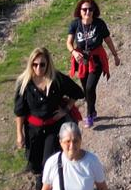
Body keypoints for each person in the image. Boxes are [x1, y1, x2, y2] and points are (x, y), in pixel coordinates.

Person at [14, 47, 83, 182]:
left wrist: (66, 109)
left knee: (49, 161)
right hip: (33, 130)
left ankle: (50, 186)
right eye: (35, 64)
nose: (38, 67)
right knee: (34, 163)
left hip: (53, 128)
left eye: (42, 64)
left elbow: (77, 92)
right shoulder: (24, 84)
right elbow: (20, 111)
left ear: (48, 64)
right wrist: (19, 134)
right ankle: (42, 178)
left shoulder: (56, 79)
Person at [67, 0, 122, 129]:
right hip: (81, 60)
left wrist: (115, 55)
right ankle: (93, 109)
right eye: (84, 9)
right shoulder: (75, 24)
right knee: (87, 90)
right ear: (79, 11)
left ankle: (89, 114)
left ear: (94, 11)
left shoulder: (99, 24)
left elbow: (108, 40)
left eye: (90, 9)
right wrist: (74, 52)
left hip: (96, 60)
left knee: (90, 87)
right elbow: (68, 43)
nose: (87, 12)